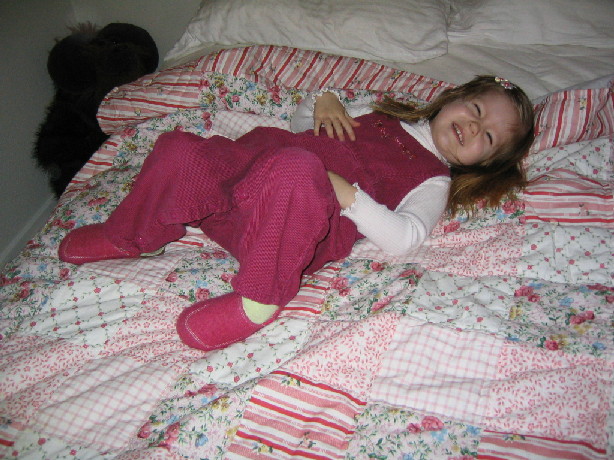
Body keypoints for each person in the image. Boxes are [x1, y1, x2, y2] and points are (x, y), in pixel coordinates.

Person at [58, 75, 535, 351]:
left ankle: (259, 299)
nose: (473, 127)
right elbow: (305, 125)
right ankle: (133, 233)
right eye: (475, 109)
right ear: (453, 97)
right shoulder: (380, 113)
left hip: (289, 230)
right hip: (236, 191)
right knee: (179, 148)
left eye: (488, 137)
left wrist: (348, 196)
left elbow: (407, 237)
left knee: (298, 167)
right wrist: (323, 100)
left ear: (486, 163)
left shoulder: (434, 179)